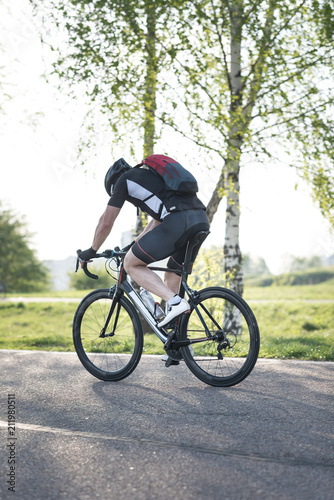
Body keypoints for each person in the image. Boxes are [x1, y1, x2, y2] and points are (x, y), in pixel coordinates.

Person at [78, 157, 210, 327]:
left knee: (131, 264)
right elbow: (156, 222)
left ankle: (175, 302)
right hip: (200, 220)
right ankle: (180, 348)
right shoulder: (154, 178)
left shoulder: (124, 180)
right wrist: (133, 246)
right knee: (172, 274)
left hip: (177, 221)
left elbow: (105, 222)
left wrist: (92, 249)